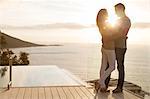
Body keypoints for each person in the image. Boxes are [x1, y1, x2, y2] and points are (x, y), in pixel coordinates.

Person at [105, 3, 131, 93]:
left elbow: (122, 33)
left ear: (121, 9)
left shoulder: (126, 20)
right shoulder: (118, 20)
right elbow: (115, 31)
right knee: (109, 66)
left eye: (116, 10)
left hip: (120, 46)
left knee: (120, 66)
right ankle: (105, 85)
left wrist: (110, 37)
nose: (115, 13)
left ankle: (119, 87)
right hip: (113, 46)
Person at [96, 9, 116, 92]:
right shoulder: (106, 24)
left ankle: (103, 86)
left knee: (103, 66)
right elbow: (110, 35)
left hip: (104, 47)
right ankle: (100, 81)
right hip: (110, 48)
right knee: (112, 67)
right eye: (107, 14)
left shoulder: (99, 24)